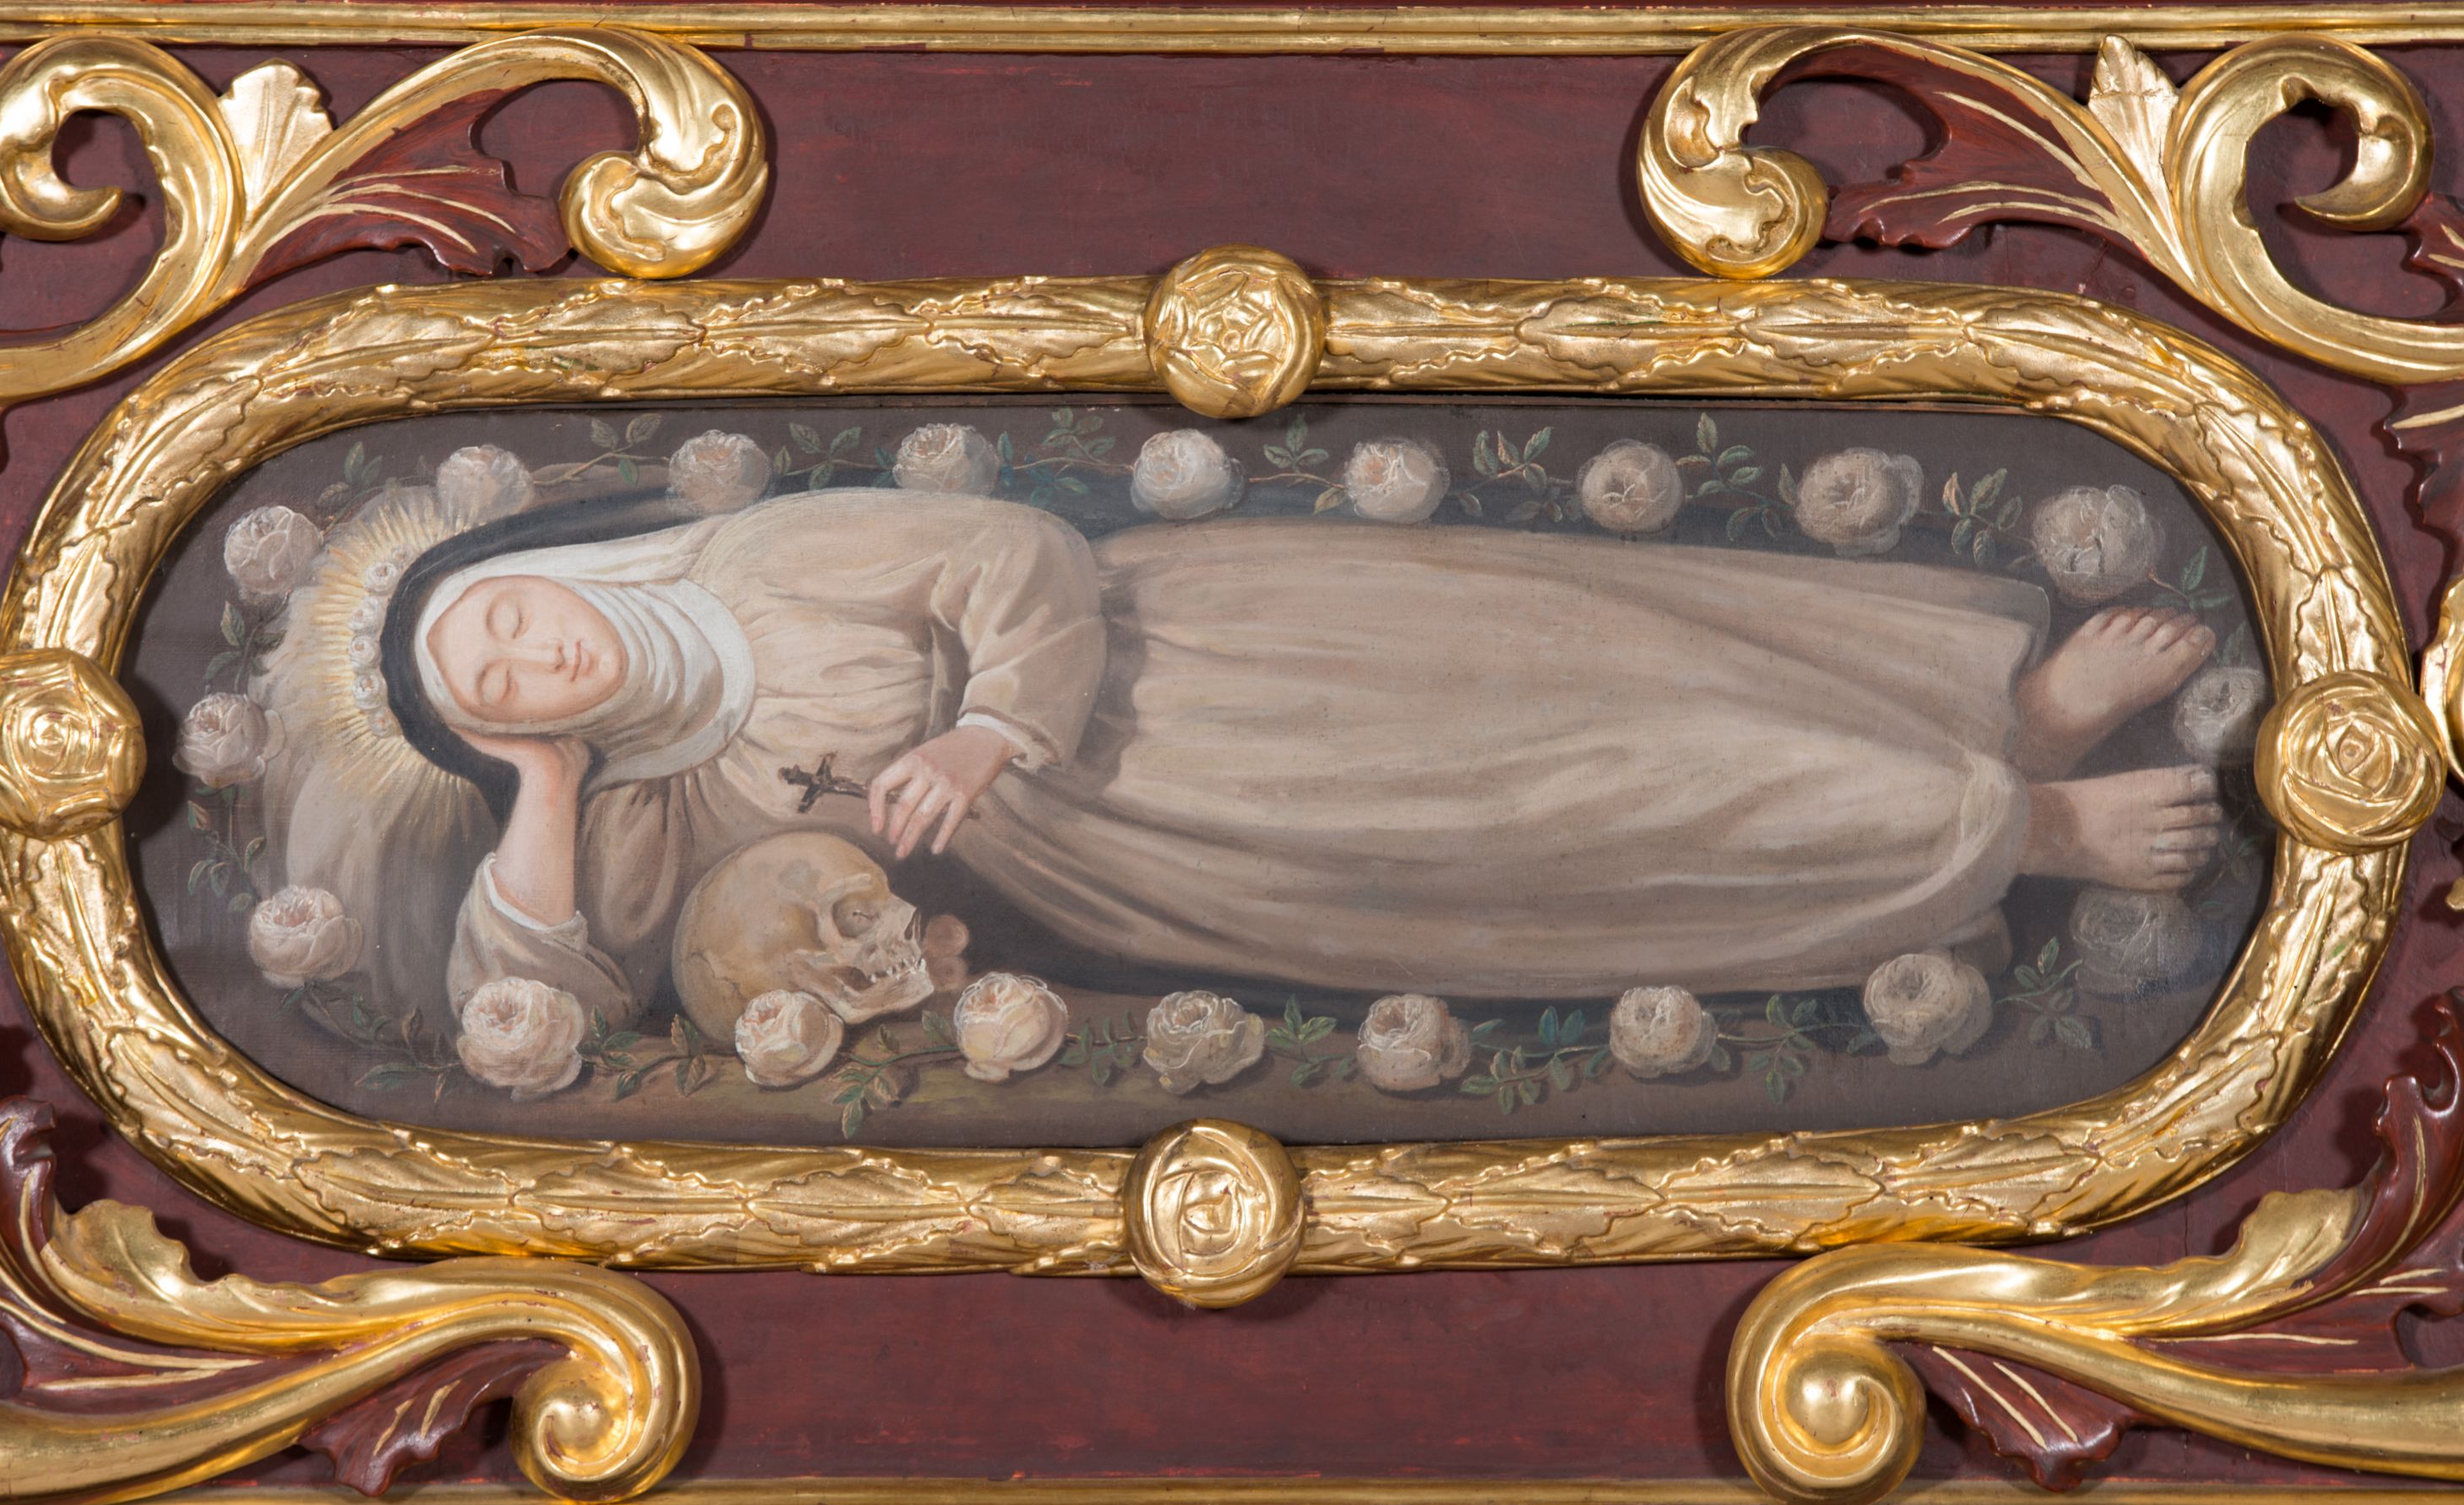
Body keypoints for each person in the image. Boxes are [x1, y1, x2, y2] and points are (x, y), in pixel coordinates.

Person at [385, 488, 2222, 1029]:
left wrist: (984, 724)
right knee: (1569, 812)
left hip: (1211, 637)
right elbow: (534, 998)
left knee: (1619, 660)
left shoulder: (758, 559)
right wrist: (540, 789)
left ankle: (1999, 726)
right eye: (500, 682)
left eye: (515, 614)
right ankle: (2014, 829)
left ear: (563, 575)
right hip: (1179, 831)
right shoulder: (662, 797)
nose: (538, 653)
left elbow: (1008, 553)